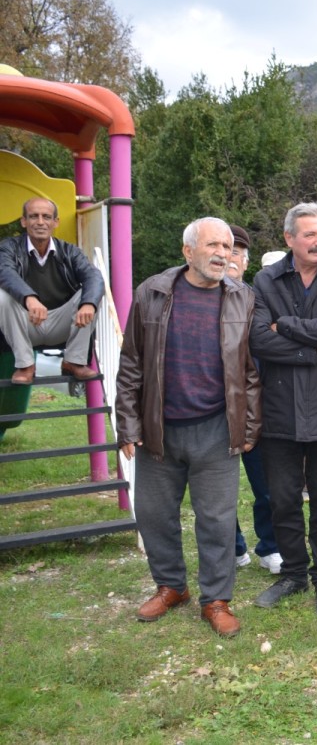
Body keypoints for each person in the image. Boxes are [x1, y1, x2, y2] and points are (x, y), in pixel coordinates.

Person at [115, 217, 260, 638]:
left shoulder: (242, 298)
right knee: (156, 515)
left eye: (228, 246)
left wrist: (249, 426)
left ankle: (216, 599)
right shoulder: (153, 293)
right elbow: (131, 364)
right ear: (188, 252)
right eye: (213, 245)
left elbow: (249, 371)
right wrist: (128, 424)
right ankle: (171, 586)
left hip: (217, 428)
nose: (222, 253)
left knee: (216, 520)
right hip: (159, 429)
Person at [249, 202, 317, 617]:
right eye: (310, 234)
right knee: (282, 499)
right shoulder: (265, 279)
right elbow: (258, 340)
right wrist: (315, 345)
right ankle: (293, 574)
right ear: (289, 239)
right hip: (279, 411)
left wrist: (289, 328)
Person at [226, 225, 283, 575]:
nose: (229, 257)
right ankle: (231, 548)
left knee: (267, 485)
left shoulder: (256, 298)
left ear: (246, 261)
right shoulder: (194, 298)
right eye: (222, 249)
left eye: (236, 252)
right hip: (212, 408)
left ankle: (271, 547)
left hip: (257, 408)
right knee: (217, 491)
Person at [0, 197, 103, 383]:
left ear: (55, 222)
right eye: (34, 216)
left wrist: (88, 303)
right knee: (1, 296)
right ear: (24, 221)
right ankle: (25, 365)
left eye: (46, 217)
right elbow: (5, 272)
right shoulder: (8, 248)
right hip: (25, 323)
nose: (40, 222)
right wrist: (29, 298)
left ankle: (74, 361)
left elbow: (93, 276)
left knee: (90, 294)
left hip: (61, 324)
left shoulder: (70, 251)